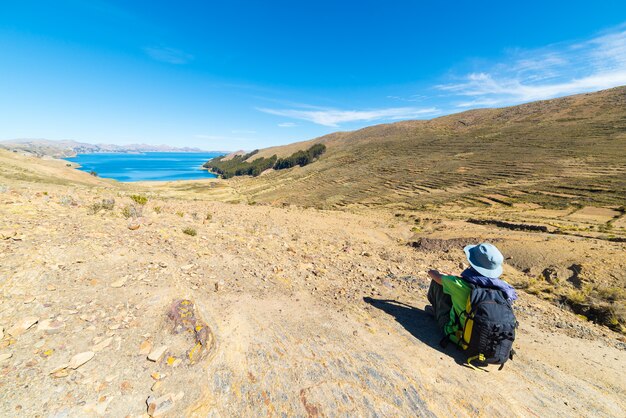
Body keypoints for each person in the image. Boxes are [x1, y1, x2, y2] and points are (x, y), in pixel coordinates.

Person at [426, 243, 517, 346]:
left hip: (460, 336)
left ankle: (438, 314)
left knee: (437, 284)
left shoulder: (458, 284)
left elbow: (433, 275)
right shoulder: (504, 288)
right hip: (490, 340)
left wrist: (434, 271)